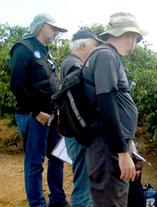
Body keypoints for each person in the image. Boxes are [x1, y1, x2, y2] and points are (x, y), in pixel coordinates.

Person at [81, 12, 144, 206]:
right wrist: (121, 153)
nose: (135, 42)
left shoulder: (106, 56)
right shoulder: (106, 56)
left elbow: (114, 105)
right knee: (111, 201)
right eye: (136, 38)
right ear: (129, 35)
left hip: (111, 145)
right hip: (107, 149)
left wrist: (127, 142)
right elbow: (106, 105)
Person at [9, 13, 68, 207]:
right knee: (34, 164)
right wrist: (36, 112)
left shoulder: (46, 51)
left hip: (52, 117)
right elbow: (17, 85)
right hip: (33, 116)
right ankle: (37, 204)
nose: (57, 33)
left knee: (56, 158)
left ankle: (57, 200)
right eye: (54, 29)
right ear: (42, 26)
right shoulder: (23, 48)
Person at [60, 28, 103, 207]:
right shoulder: (74, 65)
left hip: (75, 133)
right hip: (80, 135)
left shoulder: (70, 63)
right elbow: (76, 104)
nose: (97, 52)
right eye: (95, 46)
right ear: (83, 44)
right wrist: (87, 134)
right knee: (83, 187)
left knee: (85, 183)